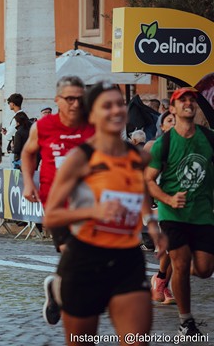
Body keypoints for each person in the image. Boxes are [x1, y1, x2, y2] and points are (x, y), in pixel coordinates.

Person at [43, 80, 166, 346]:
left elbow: (139, 188)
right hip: (85, 260)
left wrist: (153, 223)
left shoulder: (138, 157)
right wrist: (95, 210)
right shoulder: (79, 158)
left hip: (127, 261)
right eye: (106, 105)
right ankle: (58, 287)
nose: (116, 111)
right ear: (93, 114)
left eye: (120, 104)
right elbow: (51, 216)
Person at [21, 75, 95, 325]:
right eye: (70, 99)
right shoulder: (42, 126)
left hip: (87, 201)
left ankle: (57, 289)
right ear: (57, 100)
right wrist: (29, 181)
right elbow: (28, 153)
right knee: (73, 252)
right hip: (55, 202)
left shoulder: (92, 125)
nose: (75, 104)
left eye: (80, 99)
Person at [145, 87, 214, 336]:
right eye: (181, 99)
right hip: (172, 214)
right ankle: (186, 321)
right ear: (172, 109)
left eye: (191, 99)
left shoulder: (208, 138)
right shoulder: (163, 144)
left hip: (203, 213)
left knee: (205, 269)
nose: (188, 102)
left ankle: (175, 274)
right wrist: (168, 199)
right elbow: (149, 180)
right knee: (181, 263)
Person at [143, 110, 176, 305]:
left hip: (182, 203)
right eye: (169, 120)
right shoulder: (152, 145)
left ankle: (162, 282)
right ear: (161, 126)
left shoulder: (187, 145)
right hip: (158, 202)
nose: (173, 123)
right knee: (171, 247)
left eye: (176, 120)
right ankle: (162, 281)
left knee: (175, 250)